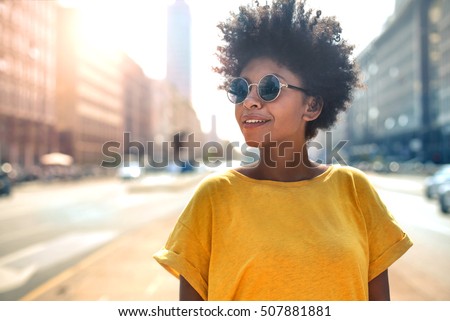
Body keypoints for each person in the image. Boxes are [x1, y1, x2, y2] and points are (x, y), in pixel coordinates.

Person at [153, 0, 412, 301]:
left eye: (269, 87)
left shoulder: (355, 190)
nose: (249, 101)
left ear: (311, 105)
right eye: (240, 89)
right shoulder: (213, 197)